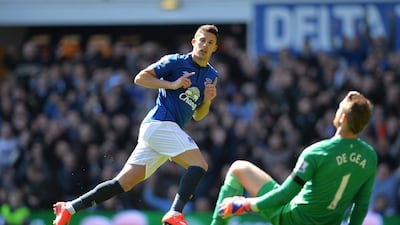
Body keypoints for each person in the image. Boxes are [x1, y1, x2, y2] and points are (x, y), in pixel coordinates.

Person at [53, 24, 219, 225]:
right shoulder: (175, 61)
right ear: (194, 42)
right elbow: (140, 78)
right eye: (201, 40)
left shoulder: (212, 76)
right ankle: (175, 212)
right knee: (199, 164)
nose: (204, 45)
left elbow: (198, 116)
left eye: (209, 43)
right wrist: (171, 84)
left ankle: (69, 208)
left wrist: (208, 100)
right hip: (160, 124)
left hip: (162, 133)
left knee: (123, 183)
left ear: (214, 48)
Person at [211, 91, 377, 225]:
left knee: (239, 168)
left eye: (339, 108)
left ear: (342, 118)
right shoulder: (370, 156)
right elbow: (361, 207)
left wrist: (246, 204)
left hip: (293, 219)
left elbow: (285, 194)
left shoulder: (318, 152)